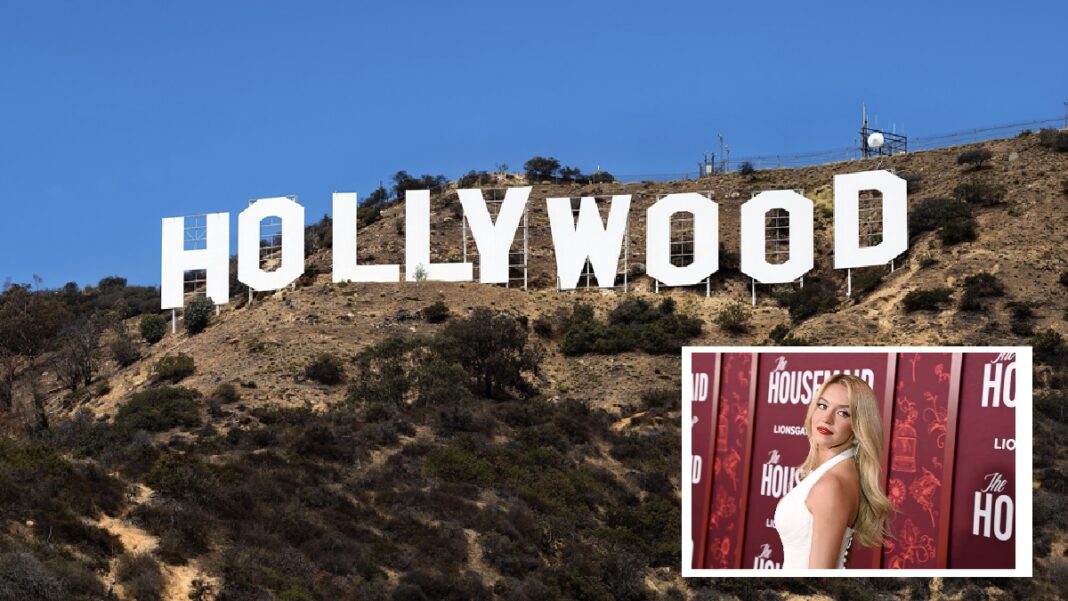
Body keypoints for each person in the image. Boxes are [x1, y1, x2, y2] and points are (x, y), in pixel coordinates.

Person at [773, 374, 892, 569]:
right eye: (823, 405)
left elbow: (819, 578)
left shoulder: (831, 485)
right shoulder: (840, 473)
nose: (826, 418)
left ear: (858, 425)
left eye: (843, 413)